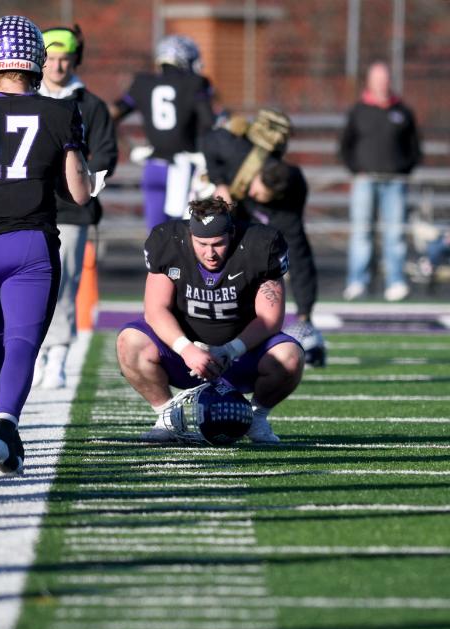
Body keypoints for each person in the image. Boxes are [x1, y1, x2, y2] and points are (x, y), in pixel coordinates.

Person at [0, 15, 91, 475]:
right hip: (30, 244)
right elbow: (79, 193)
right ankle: (6, 424)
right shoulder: (59, 112)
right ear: (36, 61)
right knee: (23, 343)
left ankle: (1, 426)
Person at [116, 197, 303, 444]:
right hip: (185, 353)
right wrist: (186, 348)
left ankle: (255, 419)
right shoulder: (169, 241)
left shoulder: (261, 244)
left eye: (218, 243)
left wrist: (230, 349)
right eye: (201, 243)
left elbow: (270, 318)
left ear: (232, 233)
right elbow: (155, 310)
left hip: (241, 351)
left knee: (290, 356)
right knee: (130, 342)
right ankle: (167, 416)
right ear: (190, 235)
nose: (210, 253)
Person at [33, 24, 117, 389]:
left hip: (70, 211)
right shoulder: (24, 100)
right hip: (28, 207)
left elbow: (106, 153)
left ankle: (58, 356)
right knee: (30, 283)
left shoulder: (90, 105)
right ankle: (32, 353)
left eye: (64, 58)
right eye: (50, 58)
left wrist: (85, 184)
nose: (57, 66)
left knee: (65, 283)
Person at [200, 112, 322, 357]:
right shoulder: (236, 152)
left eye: (261, 197)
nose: (255, 196)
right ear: (255, 174)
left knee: (268, 251)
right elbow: (208, 140)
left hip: (251, 208)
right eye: (257, 191)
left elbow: (298, 253)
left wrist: (304, 313)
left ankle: (300, 323)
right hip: (217, 188)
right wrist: (220, 182)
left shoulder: (290, 193)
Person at [110, 34, 214, 231]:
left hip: (153, 167)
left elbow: (110, 115)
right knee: (185, 232)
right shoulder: (195, 83)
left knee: (156, 234)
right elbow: (209, 122)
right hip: (186, 168)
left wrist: (130, 148)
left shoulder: (143, 82)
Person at [340, 61, 422, 302]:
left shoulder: (403, 111)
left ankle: (395, 281)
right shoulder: (358, 111)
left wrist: (402, 169)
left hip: (395, 182)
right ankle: (357, 282)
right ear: (369, 81)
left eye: (385, 79)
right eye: (377, 79)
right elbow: (345, 146)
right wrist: (358, 170)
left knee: (395, 233)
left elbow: (415, 148)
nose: (382, 84)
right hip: (365, 181)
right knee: (361, 232)